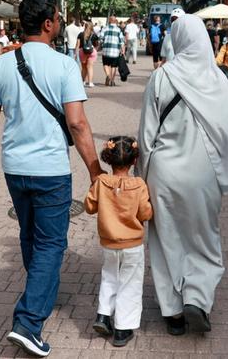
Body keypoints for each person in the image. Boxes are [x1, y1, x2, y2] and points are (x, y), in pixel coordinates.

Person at [0, 0, 104, 357]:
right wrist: (94, 170)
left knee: (29, 234)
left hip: (14, 168)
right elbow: (77, 123)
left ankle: (40, 290)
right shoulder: (65, 65)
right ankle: (28, 322)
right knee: (52, 243)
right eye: (57, 17)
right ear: (50, 24)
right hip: (51, 169)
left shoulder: (2, 65)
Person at [138, 14, 228, 336]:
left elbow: (147, 133)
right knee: (204, 238)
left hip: (164, 172)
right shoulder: (218, 80)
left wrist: (142, 176)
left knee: (166, 239)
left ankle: (172, 311)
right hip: (205, 174)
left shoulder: (162, 77)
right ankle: (198, 299)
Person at [85, 136, 153, 348]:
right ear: (134, 161)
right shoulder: (139, 185)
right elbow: (145, 213)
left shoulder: (101, 182)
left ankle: (103, 316)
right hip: (132, 244)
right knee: (130, 283)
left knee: (109, 277)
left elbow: (89, 207)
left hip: (109, 243)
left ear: (108, 159)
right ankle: (123, 329)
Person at [100, 16, 125, 86]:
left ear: (109, 21)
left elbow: (101, 38)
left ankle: (108, 75)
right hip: (115, 51)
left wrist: (101, 44)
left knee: (105, 64)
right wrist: (122, 50)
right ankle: (112, 81)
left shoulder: (104, 28)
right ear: (115, 21)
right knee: (114, 66)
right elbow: (122, 41)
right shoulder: (118, 30)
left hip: (106, 50)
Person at [76, 21, 98, 87]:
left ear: (85, 27)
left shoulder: (81, 34)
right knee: (90, 67)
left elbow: (78, 45)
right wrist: (95, 50)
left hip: (83, 51)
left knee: (84, 68)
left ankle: (83, 81)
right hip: (92, 51)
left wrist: (76, 53)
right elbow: (97, 44)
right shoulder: (94, 35)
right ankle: (90, 82)